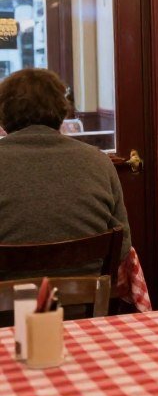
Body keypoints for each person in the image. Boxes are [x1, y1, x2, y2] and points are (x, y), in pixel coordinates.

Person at [0, 68, 132, 276]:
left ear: (3, 113)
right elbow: (123, 247)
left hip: (8, 305)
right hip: (87, 304)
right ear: (62, 110)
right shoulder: (98, 161)